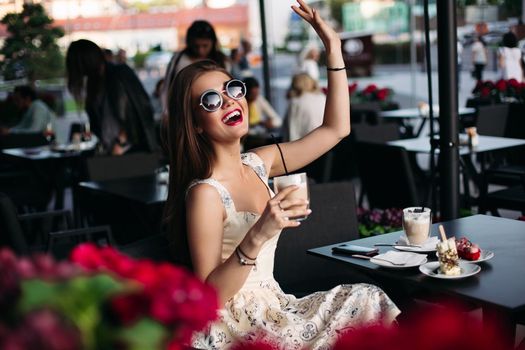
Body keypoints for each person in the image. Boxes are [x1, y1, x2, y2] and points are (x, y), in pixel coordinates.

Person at [163, 1, 400, 348]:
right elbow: (208, 298)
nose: (229, 101)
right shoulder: (204, 194)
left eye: (232, 89)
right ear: (196, 125)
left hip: (277, 309)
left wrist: (332, 47)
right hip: (233, 326)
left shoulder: (260, 162)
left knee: (368, 298)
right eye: (211, 101)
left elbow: (336, 129)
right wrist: (258, 234)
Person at [66, 39, 157, 155]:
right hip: (113, 149)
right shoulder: (95, 82)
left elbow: (141, 110)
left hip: (132, 149)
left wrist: (120, 142)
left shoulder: (119, 74)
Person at [282, 73, 326, 142]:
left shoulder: (295, 102)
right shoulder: (322, 97)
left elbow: (292, 130)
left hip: (305, 144)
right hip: (324, 142)